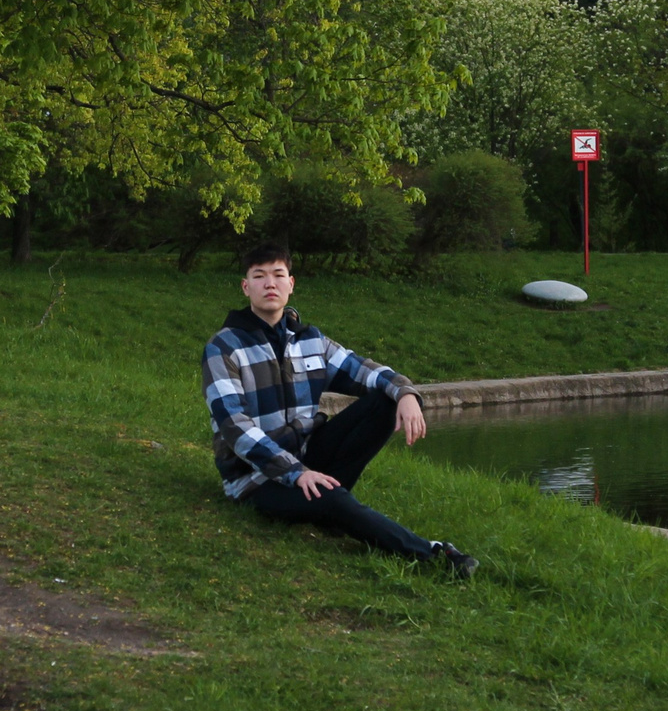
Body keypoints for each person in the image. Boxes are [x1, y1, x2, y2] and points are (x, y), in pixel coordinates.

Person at [203, 242, 478, 579]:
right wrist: (296, 473)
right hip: (257, 479)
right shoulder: (224, 346)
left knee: (384, 399)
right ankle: (435, 555)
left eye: (278, 275)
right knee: (333, 500)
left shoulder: (310, 341)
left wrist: (406, 394)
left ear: (291, 283)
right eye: (259, 276)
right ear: (246, 287)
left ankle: (330, 501)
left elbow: (365, 371)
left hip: (307, 455)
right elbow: (234, 427)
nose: (269, 284)